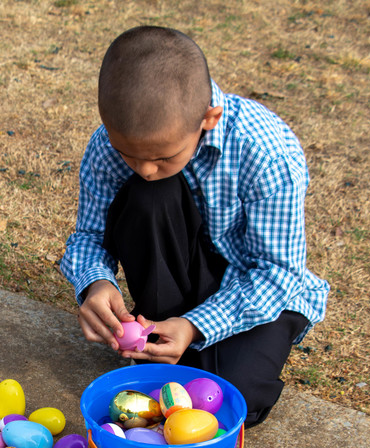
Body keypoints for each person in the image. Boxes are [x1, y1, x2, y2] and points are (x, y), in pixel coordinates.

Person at [60, 26, 329, 427]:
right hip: (176, 271)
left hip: (257, 291)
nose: (145, 168)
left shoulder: (267, 151)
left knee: (233, 400)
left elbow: (278, 273)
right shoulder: (109, 144)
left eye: (163, 156)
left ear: (209, 118)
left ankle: (182, 341)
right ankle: (166, 335)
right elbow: (90, 237)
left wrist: (195, 325)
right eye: (128, 155)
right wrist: (96, 283)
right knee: (150, 196)